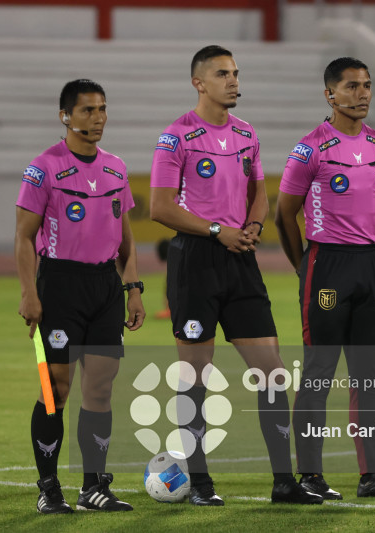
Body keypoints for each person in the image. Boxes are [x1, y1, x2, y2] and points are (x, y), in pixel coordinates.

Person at [149, 45, 322, 506]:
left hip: (240, 261)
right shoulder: (176, 138)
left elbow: (259, 191)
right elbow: (160, 207)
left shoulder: (247, 134)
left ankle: (284, 482)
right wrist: (216, 230)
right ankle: (200, 483)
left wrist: (252, 226)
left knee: (272, 374)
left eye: (236, 73)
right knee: (195, 376)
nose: (234, 80)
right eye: (223, 73)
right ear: (199, 83)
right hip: (195, 263)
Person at [275, 57, 375, 500]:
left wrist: (363, 241)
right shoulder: (310, 149)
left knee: (368, 377)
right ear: (329, 94)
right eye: (351, 86)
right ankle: (311, 477)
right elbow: (283, 214)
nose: (362, 94)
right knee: (319, 373)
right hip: (326, 264)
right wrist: (305, 266)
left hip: (372, 266)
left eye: (367, 85)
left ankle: (372, 477)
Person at [15, 79, 145, 514]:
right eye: (88, 110)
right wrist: (29, 293)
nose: (98, 118)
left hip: (104, 288)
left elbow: (126, 238)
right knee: (56, 387)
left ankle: (94, 486)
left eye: (102, 109)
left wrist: (133, 290)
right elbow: (22, 237)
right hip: (60, 285)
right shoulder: (43, 167)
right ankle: (49, 488)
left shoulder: (116, 168)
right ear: (65, 116)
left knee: (100, 389)